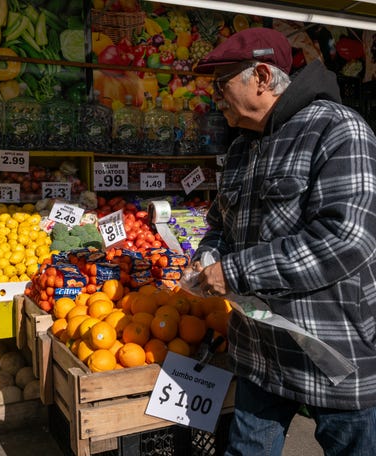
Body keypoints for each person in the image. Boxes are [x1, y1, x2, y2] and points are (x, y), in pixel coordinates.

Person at [189, 27, 376, 455]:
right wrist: (207, 257)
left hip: (332, 353)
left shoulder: (338, 129)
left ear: (260, 77)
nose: (216, 98)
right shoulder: (241, 149)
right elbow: (220, 223)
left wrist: (233, 271)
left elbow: (345, 238)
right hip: (258, 353)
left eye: (222, 85)